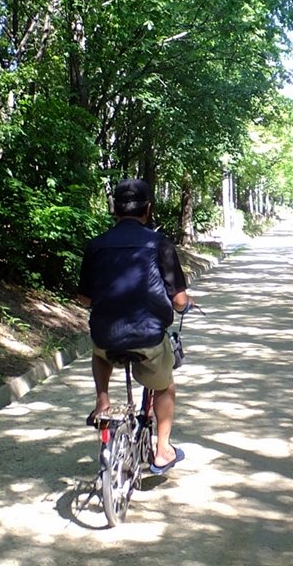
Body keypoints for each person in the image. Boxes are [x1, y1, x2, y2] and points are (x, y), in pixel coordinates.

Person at [76, 178, 194, 475]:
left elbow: (84, 299)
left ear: (114, 209)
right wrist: (185, 305)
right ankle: (163, 450)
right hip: (148, 337)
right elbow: (179, 300)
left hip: (106, 335)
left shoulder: (96, 245)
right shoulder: (160, 244)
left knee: (100, 352)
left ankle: (102, 402)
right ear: (148, 209)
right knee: (165, 385)